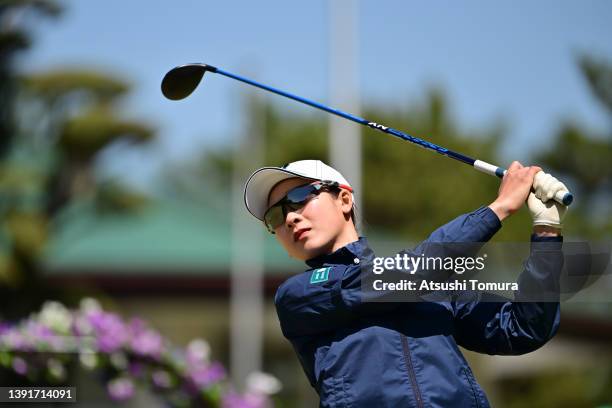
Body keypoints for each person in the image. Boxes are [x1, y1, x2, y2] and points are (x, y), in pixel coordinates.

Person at [243, 159, 567, 407]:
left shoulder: (425, 279)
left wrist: (546, 232)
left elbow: (523, 329)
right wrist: (499, 208)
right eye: (275, 216)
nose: (289, 218)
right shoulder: (298, 294)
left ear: (343, 199)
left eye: (299, 197)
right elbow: (408, 275)